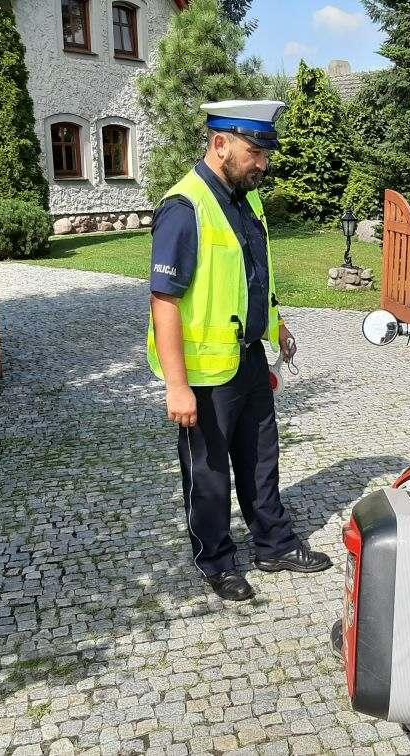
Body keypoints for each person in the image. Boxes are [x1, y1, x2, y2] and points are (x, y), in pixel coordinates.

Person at [147, 99, 331, 602]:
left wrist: (278, 325)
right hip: (204, 372)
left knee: (260, 457)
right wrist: (177, 385)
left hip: (246, 356)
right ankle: (217, 561)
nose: (263, 164)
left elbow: (253, 275)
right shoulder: (184, 207)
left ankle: (273, 544)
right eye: (255, 151)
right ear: (220, 143)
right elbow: (164, 300)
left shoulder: (245, 199)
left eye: (266, 153)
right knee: (208, 474)